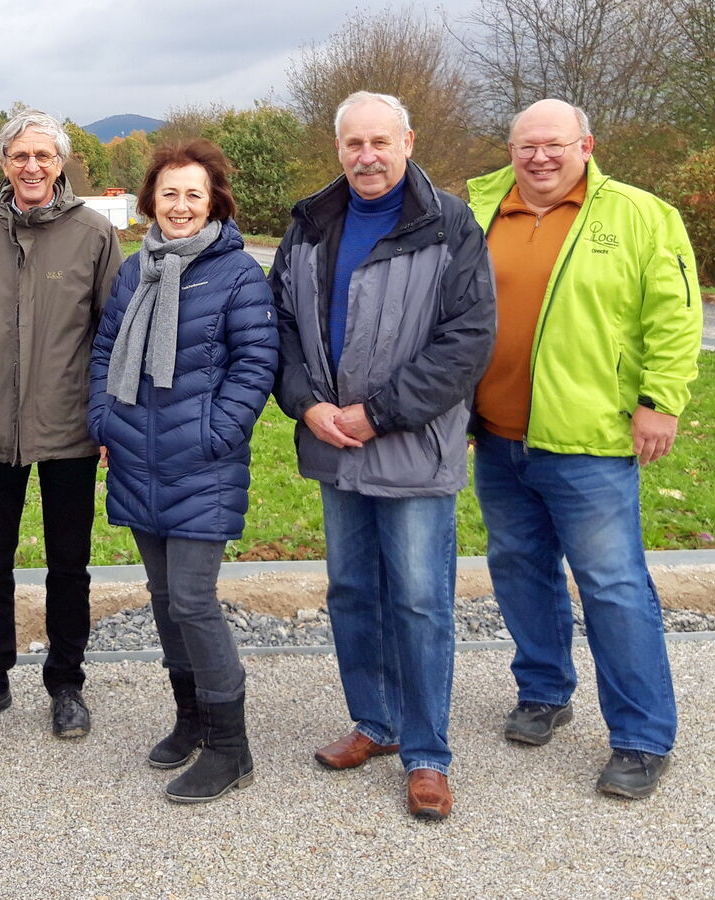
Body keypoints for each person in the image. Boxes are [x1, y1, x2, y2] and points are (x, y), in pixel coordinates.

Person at [466, 99, 702, 800]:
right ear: (509, 149)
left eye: (554, 145)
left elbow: (676, 314)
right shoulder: (477, 209)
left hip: (590, 440)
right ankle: (543, 692)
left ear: (586, 144)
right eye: (525, 146)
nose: (539, 157)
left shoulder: (639, 215)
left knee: (613, 587)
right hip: (498, 436)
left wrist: (661, 401)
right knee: (519, 571)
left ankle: (641, 736)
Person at [270, 91, 494, 821]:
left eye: (379, 142)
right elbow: (280, 329)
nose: (366, 156)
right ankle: (376, 722)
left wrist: (382, 413)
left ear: (408, 140)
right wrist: (308, 403)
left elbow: (466, 338)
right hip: (334, 444)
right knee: (353, 593)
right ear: (338, 149)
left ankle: (428, 753)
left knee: (422, 602)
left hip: (411, 445)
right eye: (353, 144)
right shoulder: (308, 223)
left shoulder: (447, 222)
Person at [88, 139, 279, 803]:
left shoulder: (237, 274)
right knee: (165, 599)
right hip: (139, 458)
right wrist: (102, 421)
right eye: (169, 193)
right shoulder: (136, 269)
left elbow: (257, 364)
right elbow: (106, 349)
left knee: (195, 600)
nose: (179, 205)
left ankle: (232, 746)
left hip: (203, 463)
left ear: (214, 202)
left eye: (193, 194)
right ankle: (191, 719)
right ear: (152, 201)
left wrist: (216, 432)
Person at [0, 109, 121, 738]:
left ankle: (66, 682)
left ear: (62, 162)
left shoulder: (95, 234)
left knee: (68, 563)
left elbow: (112, 335)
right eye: (20, 156)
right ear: (3, 163)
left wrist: (106, 419)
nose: (32, 167)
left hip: (71, 427)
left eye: (43, 155)